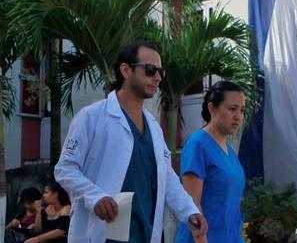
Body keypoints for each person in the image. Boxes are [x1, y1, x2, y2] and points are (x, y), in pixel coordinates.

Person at [55, 41, 207, 243]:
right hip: (105, 234)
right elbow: (65, 169)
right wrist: (96, 197)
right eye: (150, 70)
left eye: (161, 72)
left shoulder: (153, 126)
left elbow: (166, 177)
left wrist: (189, 211)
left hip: (145, 232)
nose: (157, 78)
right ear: (125, 70)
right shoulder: (91, 117)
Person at [175, 81, 246, 243]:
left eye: (242, 110)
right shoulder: (197, 144)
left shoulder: (227, 149)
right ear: (212, 108)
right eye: (232, 109)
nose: (238, 117)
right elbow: (192, 204)